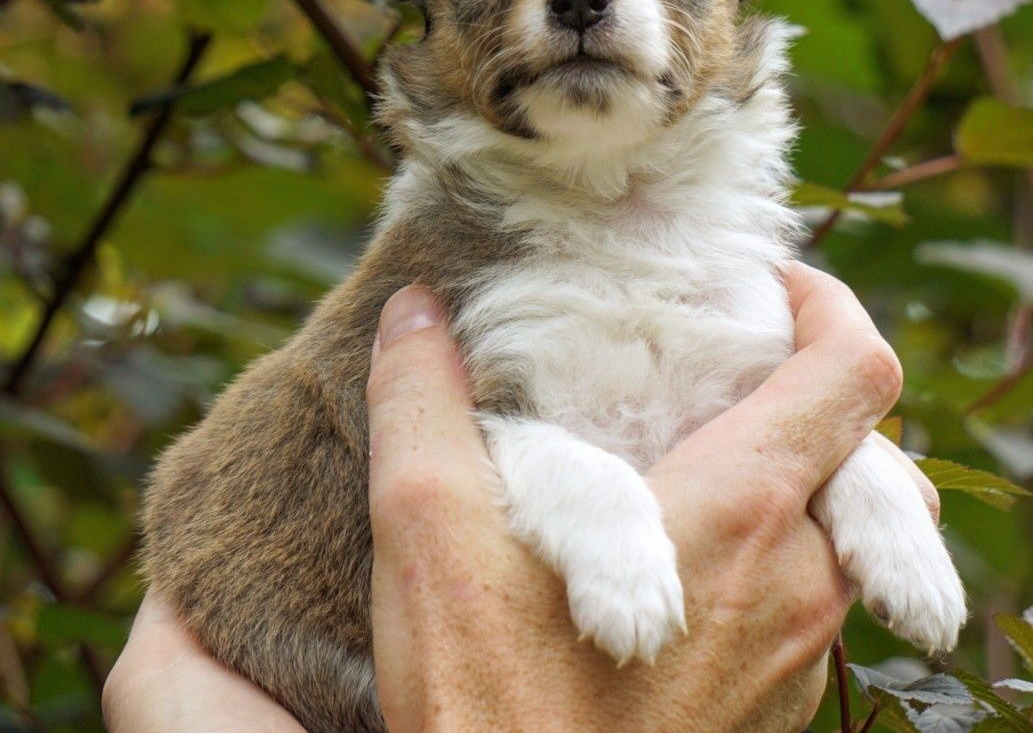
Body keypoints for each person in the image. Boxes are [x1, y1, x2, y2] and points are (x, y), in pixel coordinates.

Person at [103, 264, 938, 732]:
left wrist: (849, 466)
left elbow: (741, 447)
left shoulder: (731, 277)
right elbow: (505, 433)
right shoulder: (463, 267)